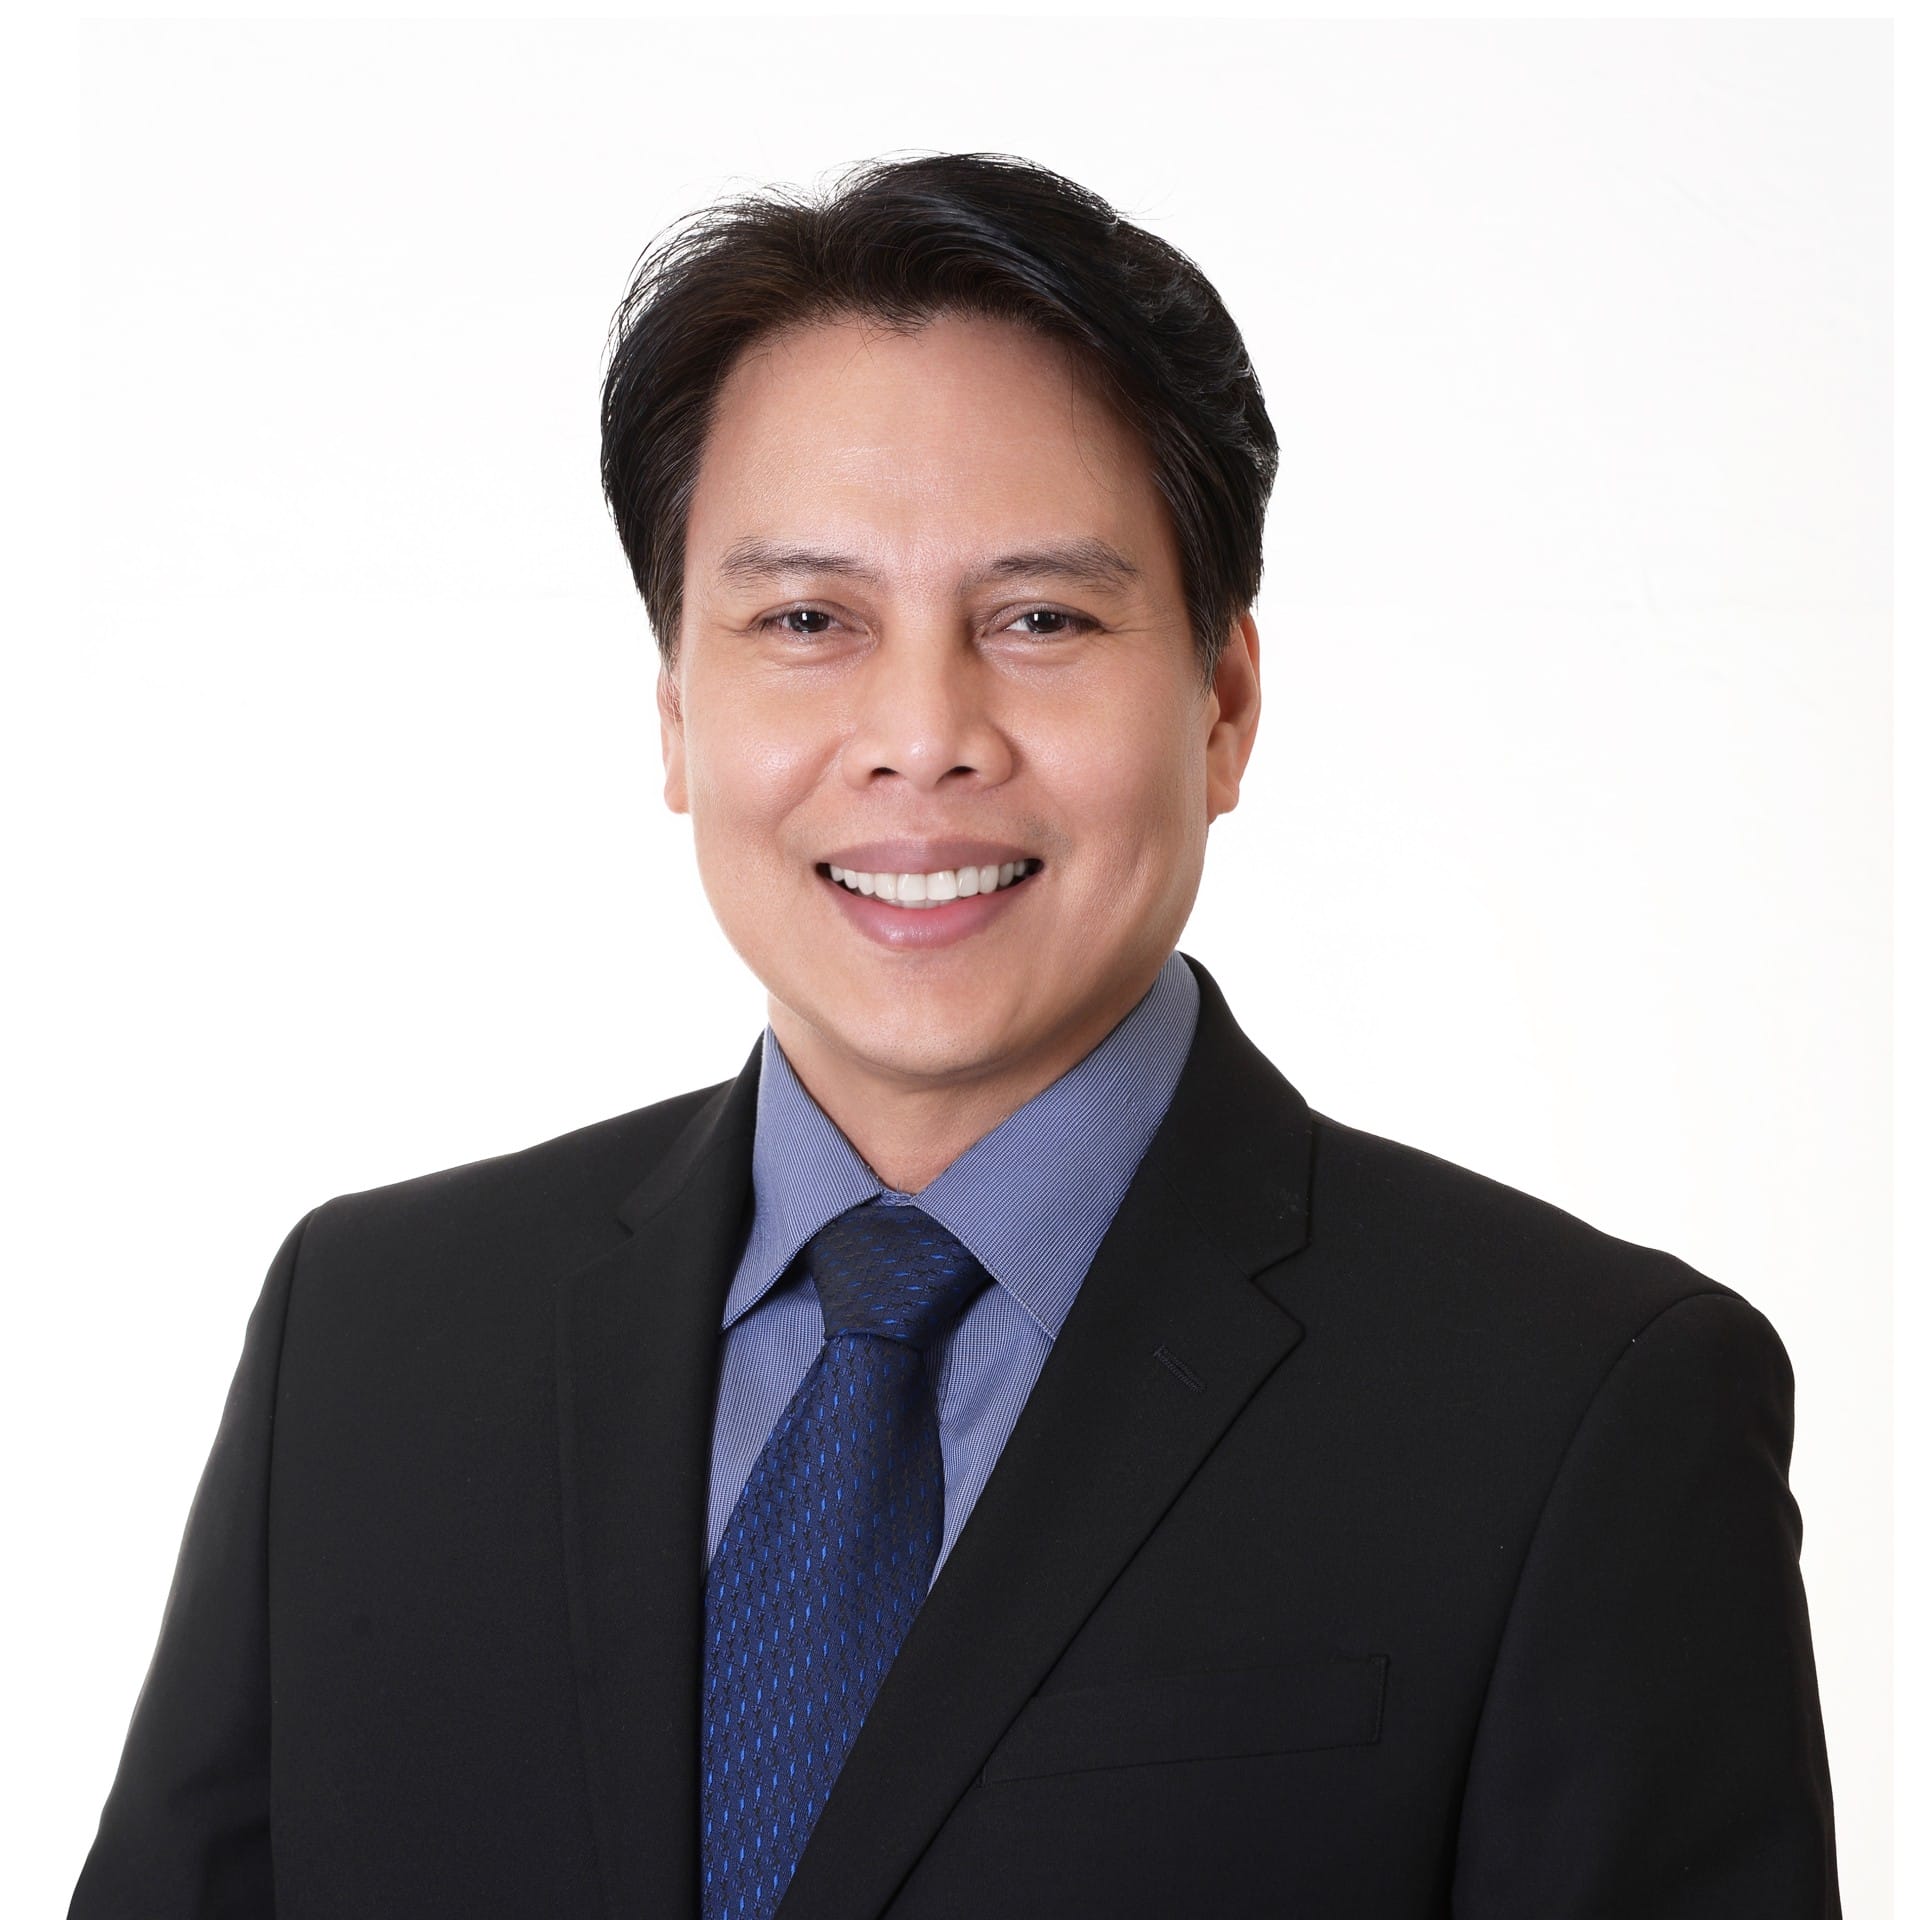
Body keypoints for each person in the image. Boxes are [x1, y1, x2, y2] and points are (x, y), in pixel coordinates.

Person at [70, 152, 1840, 1920]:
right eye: (807, 621)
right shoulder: (370, 1340)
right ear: (678, 711)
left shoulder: (1579, 1409)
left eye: (1041, 618)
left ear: (1223, 705)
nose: (923, 734)